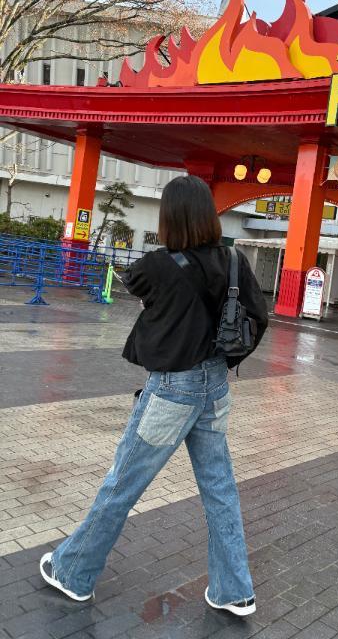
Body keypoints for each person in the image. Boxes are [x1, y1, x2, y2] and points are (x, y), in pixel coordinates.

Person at [39, 175, 269, 616]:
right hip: (216, 386)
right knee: (219, 488)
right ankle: (234, 590)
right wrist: (227, 355)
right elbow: (258, 316)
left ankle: (73, 572)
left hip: (172, 389)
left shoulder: (158, 264)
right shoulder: (233, 260)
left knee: (123, 482)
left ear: (170, 218)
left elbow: (134, 283)